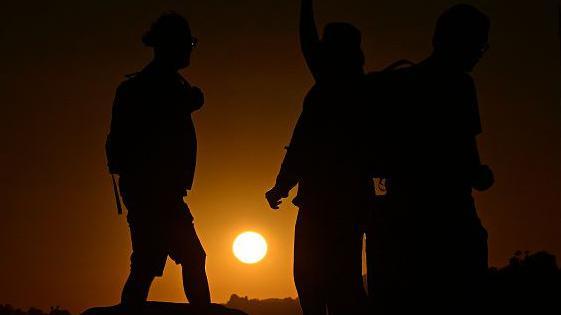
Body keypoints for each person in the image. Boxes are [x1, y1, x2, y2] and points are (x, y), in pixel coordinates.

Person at [366, 4, 495, 313]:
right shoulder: (459, 85)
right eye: (478, 44)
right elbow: (465, 154)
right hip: (447, 216)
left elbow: (378, 157)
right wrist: (481, 175)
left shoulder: (395, 84)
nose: (479, 53)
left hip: (397, 218)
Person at [265, 1, 371, 314]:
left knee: (312, 280)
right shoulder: (365, 91)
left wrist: (281, 186)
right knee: (344, 281)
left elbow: (302, 147)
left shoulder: (327, 92)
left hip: (322, 203)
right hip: (353, 203)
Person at [105, 12, 211, 310]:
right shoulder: (153, 88)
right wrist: (188, 102)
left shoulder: (160, 86)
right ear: (170, 46)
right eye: (187, 42)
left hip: (155, 194)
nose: (190, 49)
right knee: (179, 259)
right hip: (153, 195)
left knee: (148, 266)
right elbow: (154, 128)